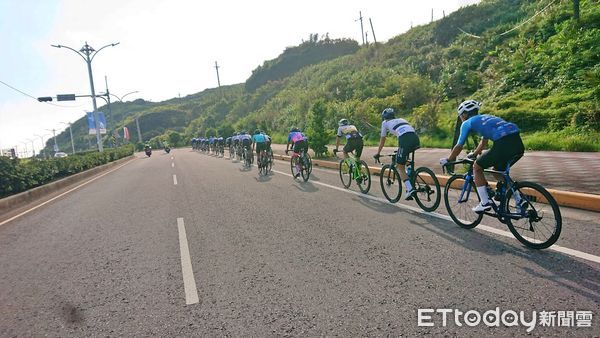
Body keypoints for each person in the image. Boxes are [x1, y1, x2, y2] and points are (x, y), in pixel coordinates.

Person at [440, 100, 525, 213]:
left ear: (464, 114)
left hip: (502, 144)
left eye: (460, 115)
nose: (461, 118)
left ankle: (485, 202)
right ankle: (519, 200)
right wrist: (475, 154)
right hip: (518, 143)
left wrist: (449, 159)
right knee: (498, 170)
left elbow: (459, 146)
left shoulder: (467, 123)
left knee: (477, 167)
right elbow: (484, 141)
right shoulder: (486, 118)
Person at [374, 108, 419, 200]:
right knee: (404, 159)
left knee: (399, 166)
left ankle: (410, 189)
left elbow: (382, 140)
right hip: (415, 138)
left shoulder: (385, 123)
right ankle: (410, 170)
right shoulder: (402, 119)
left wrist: (378, 153)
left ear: (384, 118)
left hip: (404, 139)